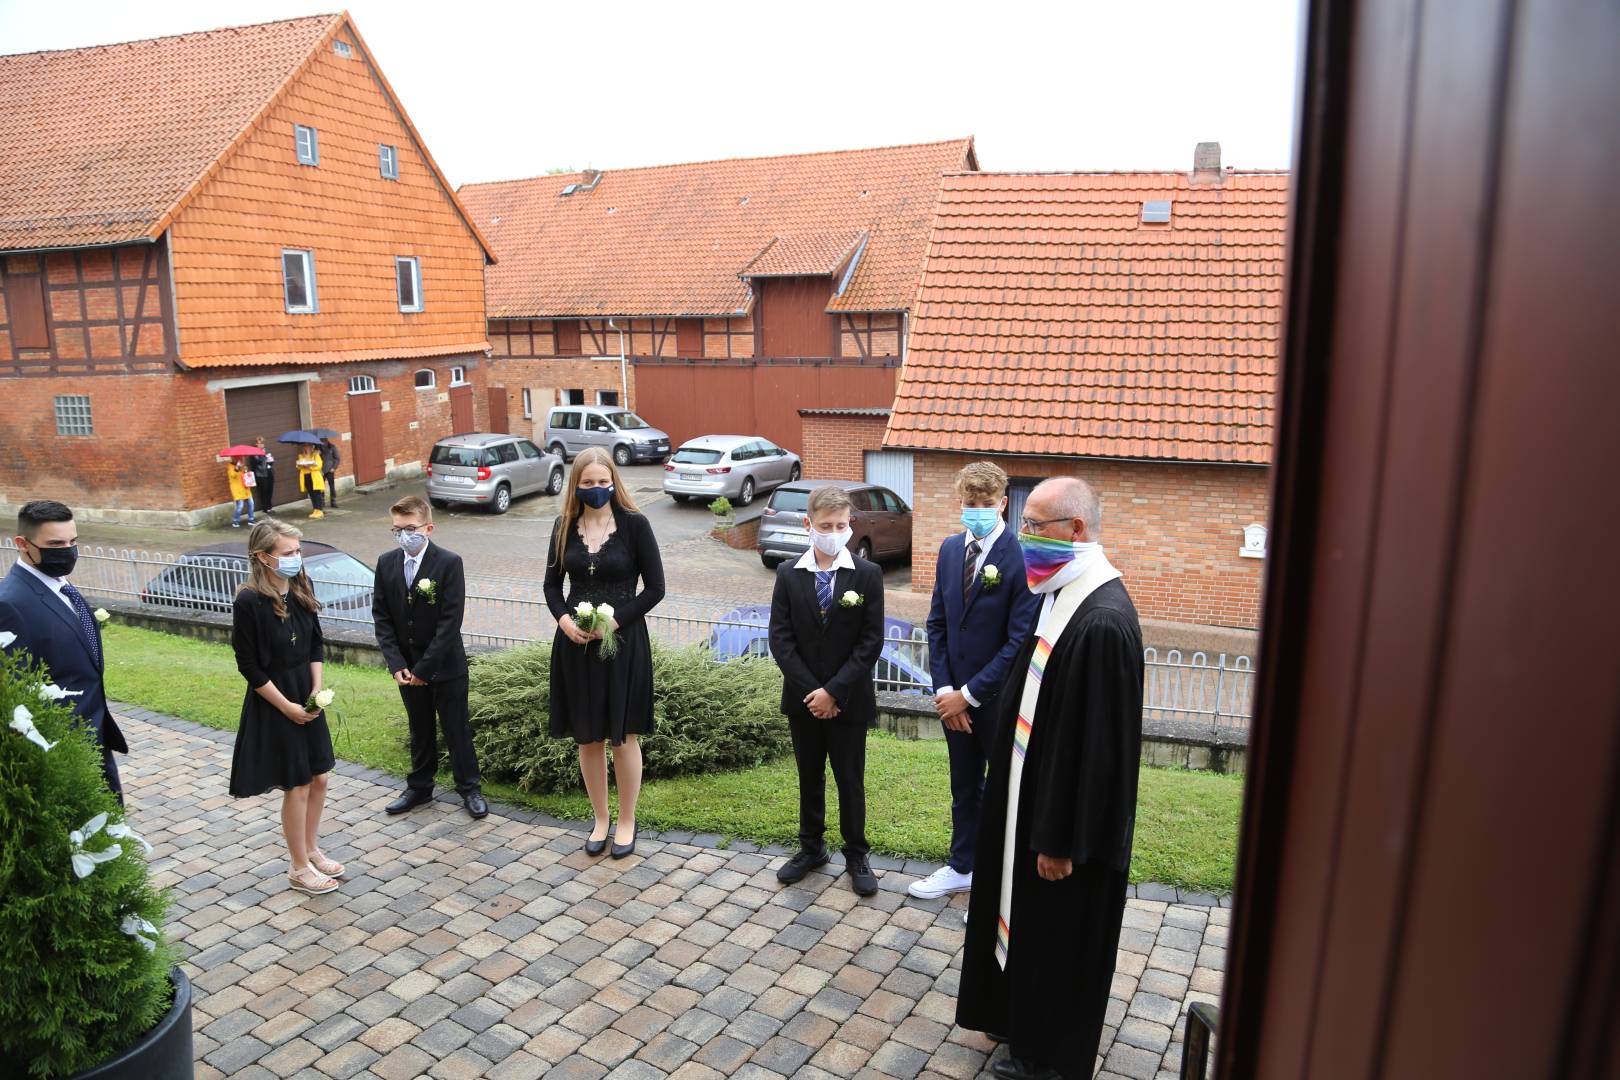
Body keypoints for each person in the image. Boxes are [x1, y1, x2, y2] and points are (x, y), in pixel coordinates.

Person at [956, 477, 1145, 1080]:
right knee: (1027, 923)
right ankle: (1016, 1019)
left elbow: (1098, 755)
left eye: (1035, 526)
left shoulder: (1102, 622)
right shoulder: (1062, 594)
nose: (1024, 537)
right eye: (1024, 523)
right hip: (1027, 797)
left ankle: (1047, 1059)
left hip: (1061, 828)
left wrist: (1060, 840)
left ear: (1076, 529)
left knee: (1058, 937)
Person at [911, 462, 1041, 902]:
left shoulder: (1021, 556)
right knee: (963, 788)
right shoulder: (950, 549)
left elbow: (1018, 640)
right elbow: (938, 624)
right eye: (970, 503)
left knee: (1003, 793)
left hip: (997, 700)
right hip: (953, 698)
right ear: (960, 503)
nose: (977, 510)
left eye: (986, 503)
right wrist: (945, 691)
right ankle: (961, 866)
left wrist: (968, 696)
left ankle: (996, 885)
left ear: (1003, 503)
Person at [545, 446, 665, 858]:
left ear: (614, 481)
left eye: (603, 481)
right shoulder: (563, 526)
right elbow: (551, 586)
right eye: (588, 482)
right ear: (576, 485)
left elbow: (655, 588)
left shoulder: (635, 525)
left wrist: (615, 622)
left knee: (623, 737)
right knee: (588, 738)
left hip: (623, 645)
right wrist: (564, 621)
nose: (596, 488)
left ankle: (627, 821)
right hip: (575, 647)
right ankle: (600, 819)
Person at [767, 484, 885, 897]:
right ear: (808, 524)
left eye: (840, 525)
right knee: (809, 775)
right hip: (804, 701)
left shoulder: (867, 575)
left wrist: (833, 691)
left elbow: (871, 641)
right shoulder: (788, 574)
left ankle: (857, 853)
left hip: (849, 700)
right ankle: (811, 847)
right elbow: (781, 639)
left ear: (850, 524)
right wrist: (813, 693)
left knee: (850, 778)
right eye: (825, 525)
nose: (834, 532)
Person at [228, 518, 343, 896]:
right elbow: (249, 666)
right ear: (264, 557)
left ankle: (311, 849)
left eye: (298, 550)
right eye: (288, 552)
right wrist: (288, 707)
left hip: (306, 692)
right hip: (275, 698)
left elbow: (315, 644)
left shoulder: (300, 586)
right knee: (298, 783)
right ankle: (298, 867)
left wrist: (316, 689)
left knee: (320, 777)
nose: (297, 558)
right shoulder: (248, 601)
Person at [0, 500, 128, 801]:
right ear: (22, 544)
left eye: (73, 542)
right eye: (55, 544)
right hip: (62, 749)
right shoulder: (10, 604)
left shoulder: (60, 586)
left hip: (95, 735)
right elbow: (16, 695)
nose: (68, 551)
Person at [372, 495, 487, 820]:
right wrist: (397, 663)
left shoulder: (449, 563)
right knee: (419, 728)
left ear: (428, 528)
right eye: (397, 530)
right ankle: (420, 787)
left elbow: (450, 621)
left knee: (456, 729)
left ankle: (470, 788)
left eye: (410, 528)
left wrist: (425, 668)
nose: (403, 535)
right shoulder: (386, 563)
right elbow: (382, 616)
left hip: (445, 666)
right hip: (407, 669)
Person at [295, 444, 325, 519]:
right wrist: (301, 465)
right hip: (306, 476)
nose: (306, 448)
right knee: (311, 494)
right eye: (304, 446)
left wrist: (309, 467)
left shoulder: (315, 455)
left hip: (314, 477)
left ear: (311, 447)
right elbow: (298, 466)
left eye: (308, 446)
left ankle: (320, 510)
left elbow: (319, 466)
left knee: (317, 493)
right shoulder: (301, 456)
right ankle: (315, 509)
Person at [226, 456, 255, 528]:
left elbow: (245, 476)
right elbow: (233, 475)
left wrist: (245, 470)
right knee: (240, 506)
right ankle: (235, 521)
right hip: (237, 490)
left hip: (245, 489)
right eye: (236, 458)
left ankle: (251, 520)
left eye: (240, 458)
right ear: (233, 459)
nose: (239, 460)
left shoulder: (242, 466)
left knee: (251, 504)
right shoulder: (230, 467)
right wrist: (237, 468)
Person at [251, 437, 276, 514]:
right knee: (264, 491)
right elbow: (258, 461)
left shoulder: (266, 451)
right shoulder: (254, 453)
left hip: (269, 472)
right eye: (260, 443)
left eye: (263, 443)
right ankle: (265, 508)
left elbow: (270, 462)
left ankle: (269, 507)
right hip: (261, 475)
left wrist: (271, 460)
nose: (262, 445)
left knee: (270, 490)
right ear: (256, 444)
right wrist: (263, 455)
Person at [320, 437, 341, 508]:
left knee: (332, 486)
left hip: (330, 470)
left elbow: (337, 458)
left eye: (323, 440)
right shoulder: (317, 448)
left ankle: (333, 501)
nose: (322, 442)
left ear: (326, 440)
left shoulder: (332, 447)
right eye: (321, 440)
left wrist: (334, 468)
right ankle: (322, 502)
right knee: (321, 487)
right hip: (321, 470)